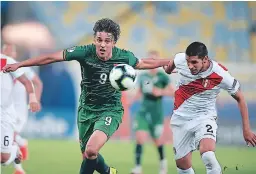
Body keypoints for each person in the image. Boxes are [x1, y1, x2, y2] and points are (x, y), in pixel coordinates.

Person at [3, 18, 171, 174]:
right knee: (88, 155)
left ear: (113, 42)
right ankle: (108, 172)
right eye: (99, 40)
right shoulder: (84, 52)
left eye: (107, 41)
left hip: (110, 111)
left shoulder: (124, 56)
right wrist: (20, 64)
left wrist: (169, 62)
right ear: (94, 40)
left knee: (91, 150)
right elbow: (50, 57)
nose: (102, 45)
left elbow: (145, 63)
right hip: (86, 110)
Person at [163, 41, 256, 174]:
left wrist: (246, 129)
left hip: (204, 117)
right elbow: (172, 64)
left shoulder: (221, 74)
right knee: (182, 166)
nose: (190, 66)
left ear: (205, 59)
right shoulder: (181, 59)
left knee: (208, 155)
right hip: (181, 118)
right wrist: (168, 70)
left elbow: (240, 97)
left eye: (194, 62)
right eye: (188, 62)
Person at [130, 50, 175, 174]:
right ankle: (137, 168)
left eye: (154, 60)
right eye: (150, 59)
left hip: (156, 114)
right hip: (143, 112)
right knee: (140, 138)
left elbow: (174, 92)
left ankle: (163, 165)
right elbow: (139, 92)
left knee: (158, 141)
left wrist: (160, 92)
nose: (152, 62)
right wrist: (131, 101)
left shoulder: (163, 77)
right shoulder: (143, 76)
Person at [2, 44, 43, 174]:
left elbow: (35, 82)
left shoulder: (17, 66)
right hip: (7, 108)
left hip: (15, 111)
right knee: (12, 139)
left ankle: (18, 164)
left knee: (11, 142)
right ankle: (18, 166)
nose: (7, 52)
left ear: (15, 53)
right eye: (5, 49)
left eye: (10, 50)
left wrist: (35, 99)